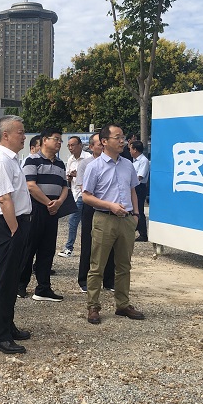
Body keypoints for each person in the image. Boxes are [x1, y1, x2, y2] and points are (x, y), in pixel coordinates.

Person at [82, 124, 145, 324]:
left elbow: (133, 190)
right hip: (104, 219)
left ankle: (123, 304)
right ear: (104, 141)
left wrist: (136, 215)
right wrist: (109, 205)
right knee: (97, 266)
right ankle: (93, 306)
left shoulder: (128, 164)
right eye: (117, 137)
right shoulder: (94, 167)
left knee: (124, 265)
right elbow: (86, 196)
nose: (122, 141)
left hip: (126, 220)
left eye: (123, 137)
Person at [0, 116, 33, 354]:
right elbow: (4, 199)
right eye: (20, 132)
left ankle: (8, 324)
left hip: (17, 224)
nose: (24, 136)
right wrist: (14, 229)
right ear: (5, 135)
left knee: (12, 279)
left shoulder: (13, 160)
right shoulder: (2, 161)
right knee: (4, 281)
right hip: (8, 225)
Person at [17, 127, 68, 302]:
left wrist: (58, 203)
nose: (59, 143)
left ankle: (43, 288)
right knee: (29, 247)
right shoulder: (32, 160)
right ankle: (20, 285)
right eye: (56, 139)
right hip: (36, 208)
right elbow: (30, 185)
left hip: (53, 210)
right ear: (45, 140)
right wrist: (48, 203)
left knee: (48, 249)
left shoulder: (60, 164)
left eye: (60, 140)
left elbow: (65, 186)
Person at [76, 133, 116, 294]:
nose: (102, 146)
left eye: (104, 143)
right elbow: (83, 188)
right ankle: (84, 280)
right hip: (91, 206)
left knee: (111, 243)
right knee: (89, 242)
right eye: (99, 144)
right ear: (91, 147)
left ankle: (109, 280)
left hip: (110, 208)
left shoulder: (114, 162)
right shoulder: (86, 164)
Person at [59, 135, 91, 257]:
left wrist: (79, 174)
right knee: (76, 222)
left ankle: (69, 247)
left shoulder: (88, 158)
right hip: (74, 193)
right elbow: (67, 177)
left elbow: (92, 177)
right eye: (69, 145)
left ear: (80, 145)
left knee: (74, 221)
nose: (70, 148)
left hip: (84, 194)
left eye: (73, 145)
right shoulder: (70, 159)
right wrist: (69, 177)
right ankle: (73, 247)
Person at [130, 140, 150, 242]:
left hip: (139, 187)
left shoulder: (143, 161)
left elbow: (140, 176)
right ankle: (136, 227)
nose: (129, 151)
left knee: (139, 210)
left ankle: (143, 234)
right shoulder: (134, 161)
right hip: (134, 186)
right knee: (133, 209)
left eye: (130, 149)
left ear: (135, 150)